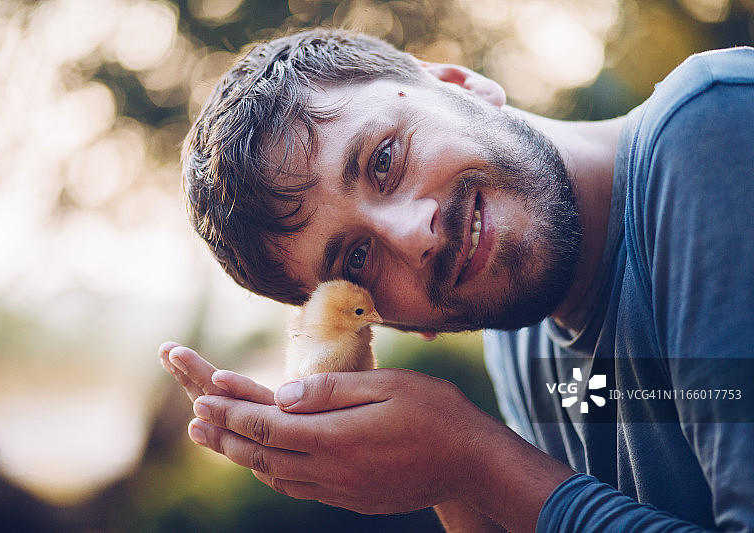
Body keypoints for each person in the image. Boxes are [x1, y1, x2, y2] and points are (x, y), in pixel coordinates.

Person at [159, 28, 754, 532]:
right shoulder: (519, 339)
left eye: (384, 160)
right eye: (358, 261)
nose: (415, 236)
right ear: (393, 322)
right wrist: (436, 476)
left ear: (458, 82)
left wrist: (479, 463)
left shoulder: (714, 126)